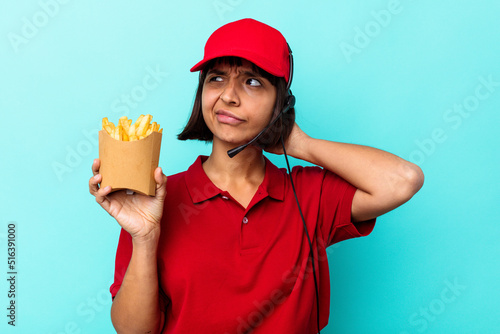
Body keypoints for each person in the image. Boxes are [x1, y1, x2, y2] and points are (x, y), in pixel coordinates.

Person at [89, 18, 424, 334]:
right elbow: (133, 330)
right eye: (216, 78)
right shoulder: (158, 198)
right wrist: (145, 238)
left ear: (282, 103)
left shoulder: (310, 192)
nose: (228, 96)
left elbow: (403, 180)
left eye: (252, 82)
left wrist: (299, 143)